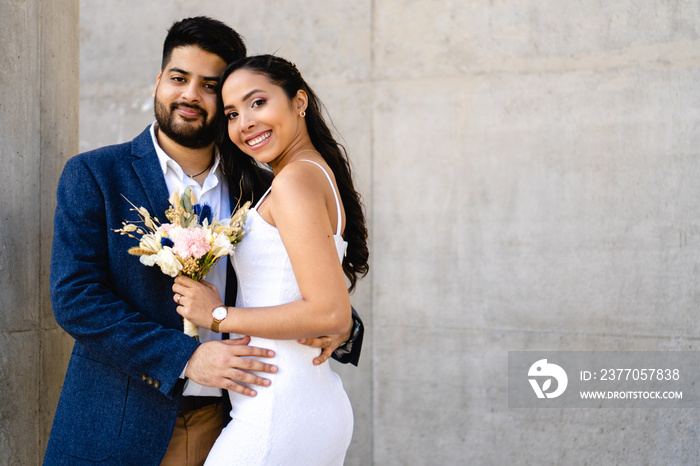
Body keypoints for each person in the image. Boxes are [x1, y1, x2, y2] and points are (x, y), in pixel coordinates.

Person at [44, 17, 363, 466]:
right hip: (124, 421)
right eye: (179, 78)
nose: (191, 94)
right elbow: (75, 298)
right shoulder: (95, 175)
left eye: (210, 86)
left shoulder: (259, 184)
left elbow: (292, 280)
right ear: (158, 81)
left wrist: (343, 326)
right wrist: (186, 359)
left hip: (235, 415)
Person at [172, 54, 369, 465]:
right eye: (231, 113)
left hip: (278, 411)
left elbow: (331, 314)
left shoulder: (295, 179)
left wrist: (218, 316)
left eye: (257, 102)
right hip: (296, 399)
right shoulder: (307, 173)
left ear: (299, 102)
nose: (244, 122)